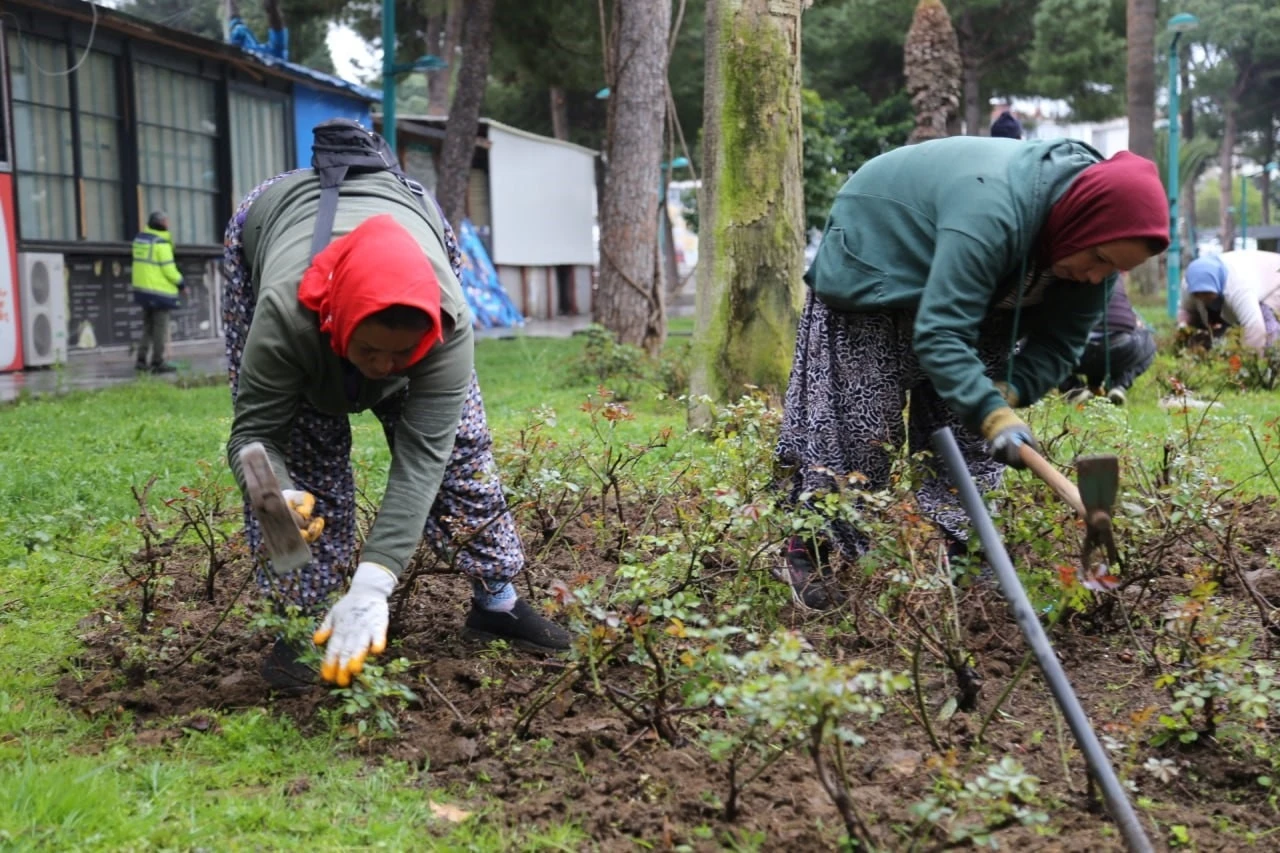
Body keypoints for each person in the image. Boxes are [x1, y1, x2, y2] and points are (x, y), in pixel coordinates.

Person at [775, 137, 1169, 609]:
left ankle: (965, 555)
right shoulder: (993, 209)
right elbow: (941, 334)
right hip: (880, 249)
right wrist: (991, 412)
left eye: (1113, 271)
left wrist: (1003, 393)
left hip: (980, 288)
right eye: (1100, 259)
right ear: (1082, 220)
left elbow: (1060, 345)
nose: (1095, 277)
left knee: (972, 430)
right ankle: (812, 549)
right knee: (860, 426)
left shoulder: (1090, 256)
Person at [223, 163, 570, 694]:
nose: (385, 367)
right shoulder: (285, 316)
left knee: (460, 456)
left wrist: (373, 583)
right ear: (338, 325)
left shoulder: (448, 323)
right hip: (275, 227)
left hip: (411, 213)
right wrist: (278, 485)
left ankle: (497, 602)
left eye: (401, 354)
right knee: (302, 466)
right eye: (370, 351)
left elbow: (423, 460)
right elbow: (254, 432)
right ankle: (300, 624)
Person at [1059, 275, 1157, 406]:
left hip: (1076, 351)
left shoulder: (1064, 272)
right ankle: (1119, 385)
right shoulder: (1112, 272)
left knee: (1041, 345)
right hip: (1118, 348)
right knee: (1148, 344)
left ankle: (1073, 389)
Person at [1177, 250, 1280, 352]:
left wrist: (1248, 361)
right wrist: (1183, 329)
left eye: (1206, 293)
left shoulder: (1238, 287)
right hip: (1244, 286)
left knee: (1267, 331)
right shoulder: (1188, 284)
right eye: (1197, 294)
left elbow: (1255, 327)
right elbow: (1187, 311)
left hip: (1274, 281)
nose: (1202, 298)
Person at [131, 210, 184, 374]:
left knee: (148, 326)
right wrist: (181, 283)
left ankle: (141, 359)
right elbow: (169, 270)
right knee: (160, 328)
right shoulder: (160, 244)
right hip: (159, 292)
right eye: (167, 222)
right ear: (162, 223)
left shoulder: (140, 240)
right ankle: (158, 362)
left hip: (142, 290)